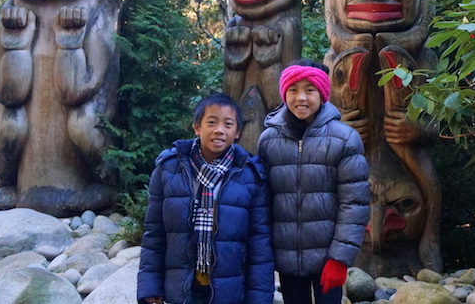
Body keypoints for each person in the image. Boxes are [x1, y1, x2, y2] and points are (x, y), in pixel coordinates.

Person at [137, 93, 274, 304]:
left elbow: (260, 244)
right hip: (181, 289)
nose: (219, 130)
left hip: (229, 291)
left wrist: (259, 298)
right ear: (197, 127)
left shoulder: (250, 176)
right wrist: (150, 285)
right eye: (211, 122)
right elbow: (154, 235)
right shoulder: (169, 169)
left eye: (228, 124)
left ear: (237, 132)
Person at [258, 59, 370, 303]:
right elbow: (263, 200)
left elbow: (355, 203)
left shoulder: (344, 139)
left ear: (322, 94)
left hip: (328, 258)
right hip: (287, 257)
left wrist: (340, 259)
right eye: (293, 90)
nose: (301, 98)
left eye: (310, 90)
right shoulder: (268, 140)